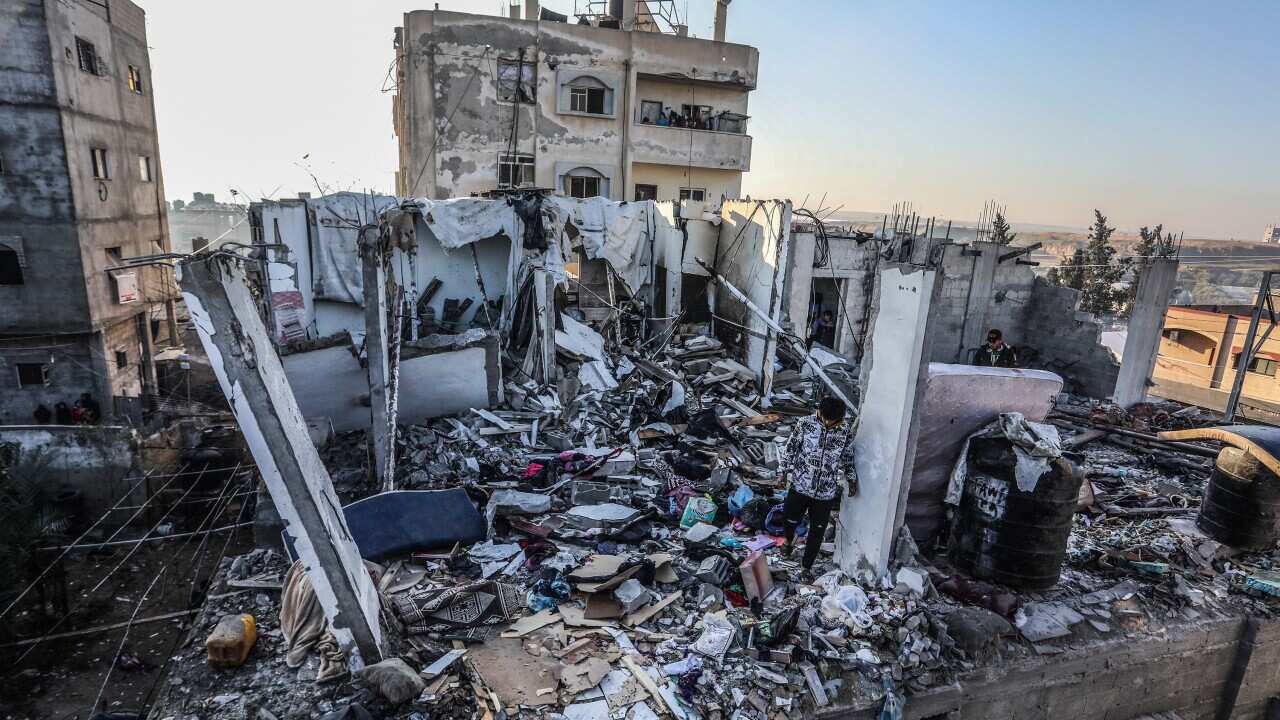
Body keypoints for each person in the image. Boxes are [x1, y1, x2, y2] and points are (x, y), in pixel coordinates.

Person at [779, 396, 857, 581]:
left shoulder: (845, 430)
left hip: (825, 491)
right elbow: (791, 448)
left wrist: (852, 479)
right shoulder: (804, 423)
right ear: (820, 413)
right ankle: (788, 541)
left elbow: (847, 457)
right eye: (827, 419)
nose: (830, 423)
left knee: (817, 531)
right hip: (800, 484)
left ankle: (806, 567)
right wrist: (782, 472)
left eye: (834, 421)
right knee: (789, 520)